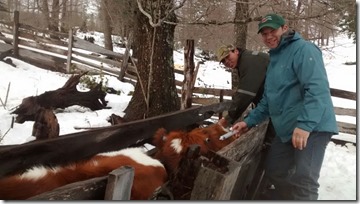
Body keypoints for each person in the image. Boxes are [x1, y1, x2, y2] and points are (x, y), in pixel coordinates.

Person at [231, 13, 339, 200]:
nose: (268, 36)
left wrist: (305, 125)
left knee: (304, 180)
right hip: (288, 128)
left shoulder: (304, 50)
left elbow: (317, 90)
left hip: (313, 126)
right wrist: (248, 122)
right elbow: (268, 99)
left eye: (272, 30)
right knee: (275, 169)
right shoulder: (274, 58)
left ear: (285, 28)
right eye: (264, 34)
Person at [216, 44, 269, 128]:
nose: (227, 61)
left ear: (236, 51)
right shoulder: (246, 60)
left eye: (228, 56)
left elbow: (246, 93)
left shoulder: (249, 61)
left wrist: (228, 118)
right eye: (223, 61)